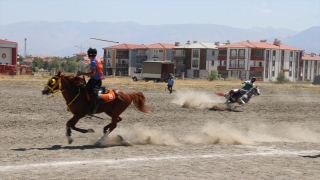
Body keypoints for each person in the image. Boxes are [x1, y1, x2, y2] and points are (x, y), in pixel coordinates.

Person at [77, 47, 104, 118]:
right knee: (84, 92)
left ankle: (92, 112)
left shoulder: (93, 62)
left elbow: (93, 73)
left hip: (96, 82)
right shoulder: (95, 60)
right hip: (93, 80)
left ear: (89, 54)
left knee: (93, 95)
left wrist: (82, 73)